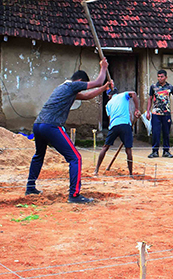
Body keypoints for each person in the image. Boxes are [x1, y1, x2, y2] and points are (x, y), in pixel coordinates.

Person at [27, 59, 111, 203]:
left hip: (38, 124)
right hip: (51, 125)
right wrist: (103, 68)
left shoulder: (63, 88)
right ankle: (74, 195)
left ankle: (30, 187)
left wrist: (104, 89)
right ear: (79, 81)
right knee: (75, 158)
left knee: (39, 155)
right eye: (82, 85)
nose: (81, 88)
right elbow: (96, 82)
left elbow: (86, 96)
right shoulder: (73, 85)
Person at [94, 89, 140, 176]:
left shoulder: (108, 104)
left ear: (109, 96)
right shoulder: (123, 95)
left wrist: (111, 128)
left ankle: (96, 170)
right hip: (125, 125)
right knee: (128, 149)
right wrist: (136, 109)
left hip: (114, 125)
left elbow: (110, 118)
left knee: (105, 147)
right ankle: (130, 174)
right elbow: (133, 93)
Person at [146, 69, 173, 158]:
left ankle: (166, 151)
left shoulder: (170, 87)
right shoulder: (153, 87)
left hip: (166, 114)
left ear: (165, 77)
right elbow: (150, 99)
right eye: (158, 77)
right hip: (156, 113)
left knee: (166, 133)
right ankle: (155, 151)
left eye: (162, 77)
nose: (160, 78)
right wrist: (148, 111)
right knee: (155, 132)